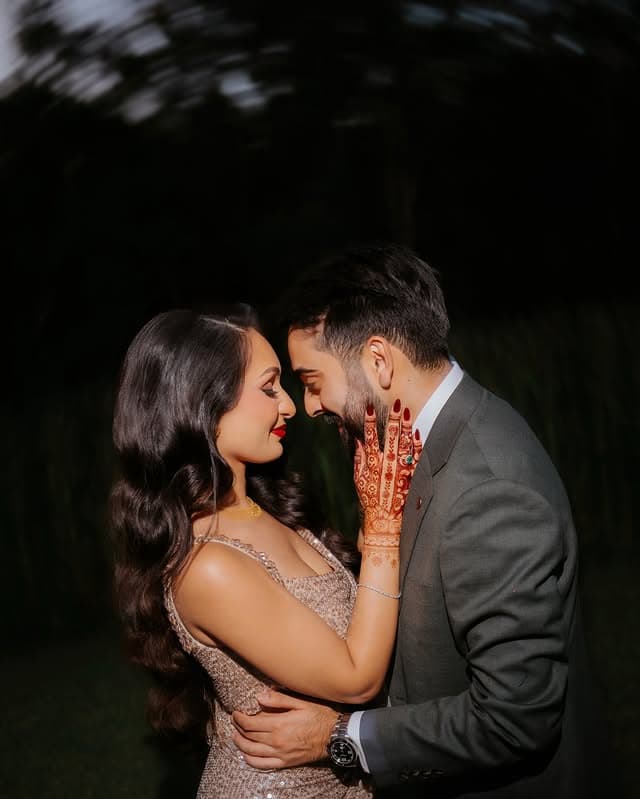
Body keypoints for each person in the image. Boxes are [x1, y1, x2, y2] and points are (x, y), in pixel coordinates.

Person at [231, 244, 610, 798]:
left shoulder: (486, 487)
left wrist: (340, 737)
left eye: (312, 381)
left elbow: (515, 717)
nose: (308, 406)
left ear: (378, 362)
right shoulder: (412, 446)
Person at [109, 303, 422, 798]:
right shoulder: (207, 565)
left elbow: (361, 612)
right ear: (205, 402)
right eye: (269, 386)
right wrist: (382, 530)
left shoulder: (265, 510)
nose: (291, 406)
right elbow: (356, 677)